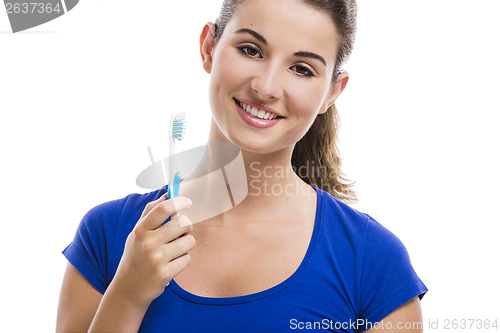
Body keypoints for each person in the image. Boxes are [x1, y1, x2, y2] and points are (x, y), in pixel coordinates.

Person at [57, 0, 428, 332]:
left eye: (301, 69)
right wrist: (127, 295)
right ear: (208, 47)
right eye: (251, 49)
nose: (266, 87)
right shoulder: (107, 235)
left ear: (332, 92)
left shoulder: (374, 264)